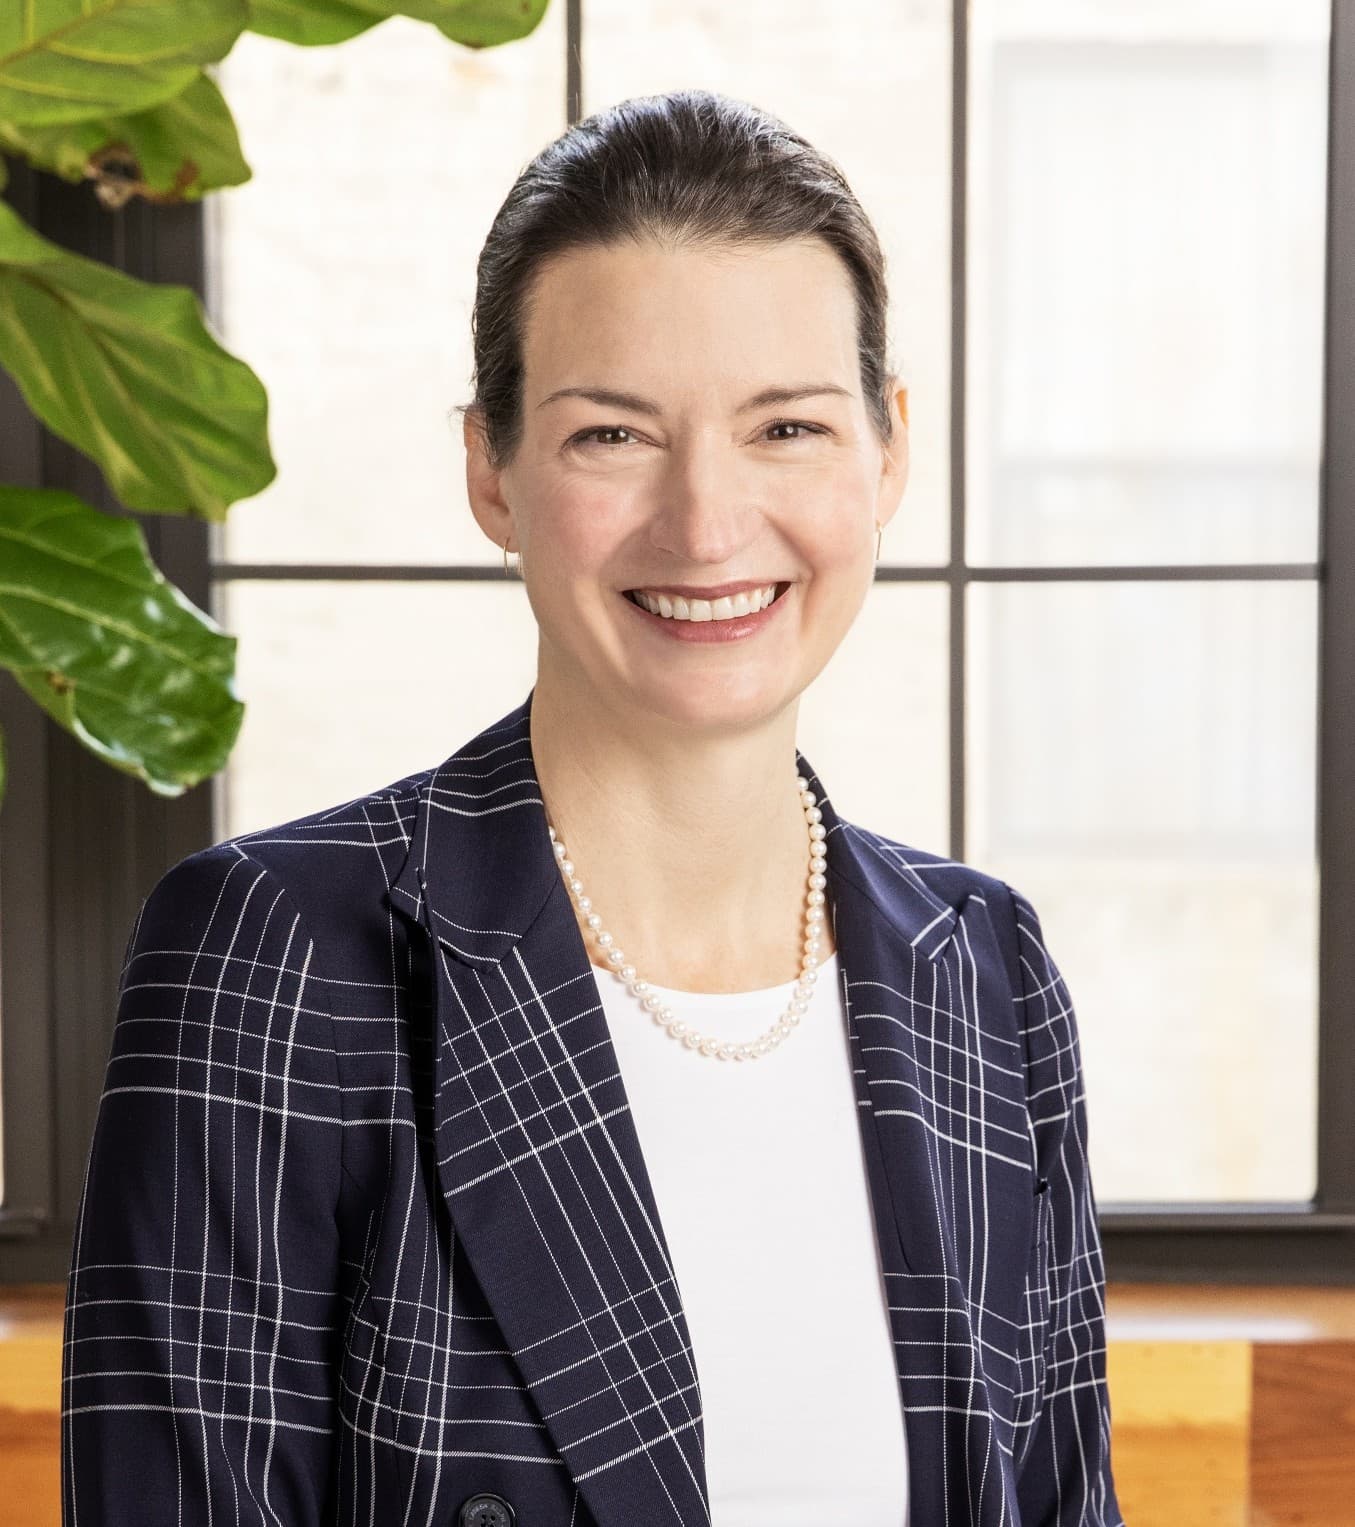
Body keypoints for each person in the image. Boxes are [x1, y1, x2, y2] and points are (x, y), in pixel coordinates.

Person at [61, 88, 1125, 1527]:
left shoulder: (984, 971)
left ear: (889, 452)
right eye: (613, 437)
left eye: (788, 427)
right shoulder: (278, 953)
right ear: (490, 471)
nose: (705, 522)